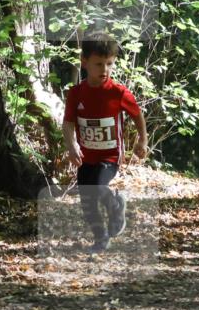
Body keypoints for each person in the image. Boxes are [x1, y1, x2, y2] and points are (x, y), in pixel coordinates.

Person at [62, 35, 148, 253]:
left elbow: (137, 116)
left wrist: (142, 140)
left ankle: (116, 206)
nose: (105, 69)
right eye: (99, 64)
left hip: (109, 157)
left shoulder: (118, 93)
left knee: (99, 187)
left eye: (109, 64)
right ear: (84, 62)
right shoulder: (76, 93)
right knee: (87, 202)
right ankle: (101, 238)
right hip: (85, 158)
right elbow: (68, 123)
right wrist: (72, 146)